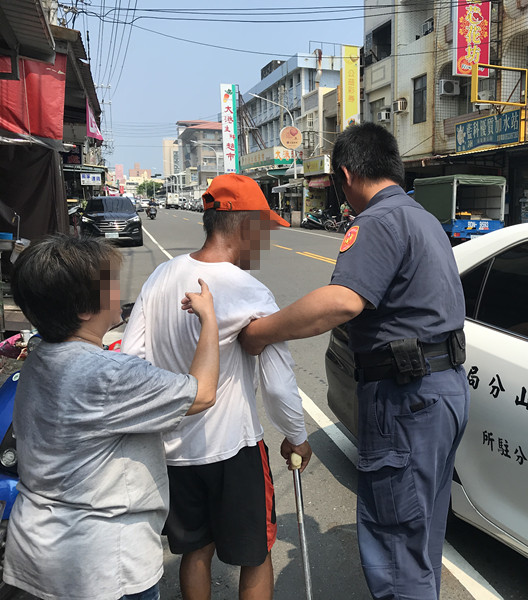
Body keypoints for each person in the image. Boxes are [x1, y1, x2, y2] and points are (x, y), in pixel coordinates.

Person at [239, 123, 469, 600]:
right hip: (442, 392)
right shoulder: (423, 218)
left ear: (345, 175)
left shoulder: (377, 221)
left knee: (396, 547)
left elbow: (342, 302)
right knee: (420, 538)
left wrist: (261, 332)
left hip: (406, 400)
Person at [122, 173, 311, 600]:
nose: (265, 242)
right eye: (264, 230)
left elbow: (132, 361)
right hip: (234, 449)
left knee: (195, 552)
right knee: (256, 556)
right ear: (244, 226)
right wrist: (297, 438)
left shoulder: (160, 278)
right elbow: (278, 386)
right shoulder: (249, 291)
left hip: (173, 451)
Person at [4, 235, 220, 600]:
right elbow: (202, 393)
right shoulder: (109, 374)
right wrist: (209, 319)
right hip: (102, 567)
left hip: (35, 551)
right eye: (112, 285)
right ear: (84, 309)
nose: (119, 292)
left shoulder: (40, 353)